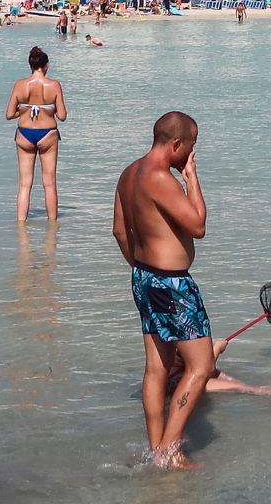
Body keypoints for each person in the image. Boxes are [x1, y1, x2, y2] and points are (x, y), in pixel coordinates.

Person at [112, 111, 212, 469]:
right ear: (176, 144)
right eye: (192, 146)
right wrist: (192, 178)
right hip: (172, 285)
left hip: (143, 277)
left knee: (157, 368)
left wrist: (142, 270)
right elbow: (198, 226)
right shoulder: (160, 177)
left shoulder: (129, 173)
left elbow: (120, 231)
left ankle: (156, 450)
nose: (192, 153)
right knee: (201, 365)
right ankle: (170, 452)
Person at [8, 46, 67, 222]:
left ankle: (21, 227)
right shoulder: (54, 85)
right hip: (48, 134)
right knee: (49, 183)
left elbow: (9, 114)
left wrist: (25, 111)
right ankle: (52, 229)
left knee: (24, 184)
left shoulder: (19, 85)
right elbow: (62, 116)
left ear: (31, 65)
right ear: (46, 65)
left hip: (24, 134)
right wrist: (47, 109)